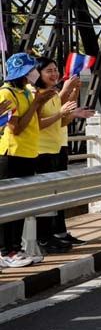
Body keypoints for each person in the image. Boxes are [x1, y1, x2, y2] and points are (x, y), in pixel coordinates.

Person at [33, 56, 92, 250]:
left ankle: (57, 233)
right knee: (46, 197)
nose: (54, 74)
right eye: (49, 70)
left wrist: (72, 102)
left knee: (57, 195)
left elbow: (61, 122)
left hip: (56, 148)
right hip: (41, 150)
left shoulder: (52, 93)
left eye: (55, 70)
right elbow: (38, 123)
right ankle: (44, 237)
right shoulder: (36, 94)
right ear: (38, 73)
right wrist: (66, 91)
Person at [1, 53, 48, 267]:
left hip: (28, 153)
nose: (34, 73)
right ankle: (6, 251)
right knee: (10, 205)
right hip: (13, 154)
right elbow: (16, 128)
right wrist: (36, 103)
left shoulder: (26, 93)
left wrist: (38, 102)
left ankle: (16, 248)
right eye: (31, 70)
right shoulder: (7, 94)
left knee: (20, 206)